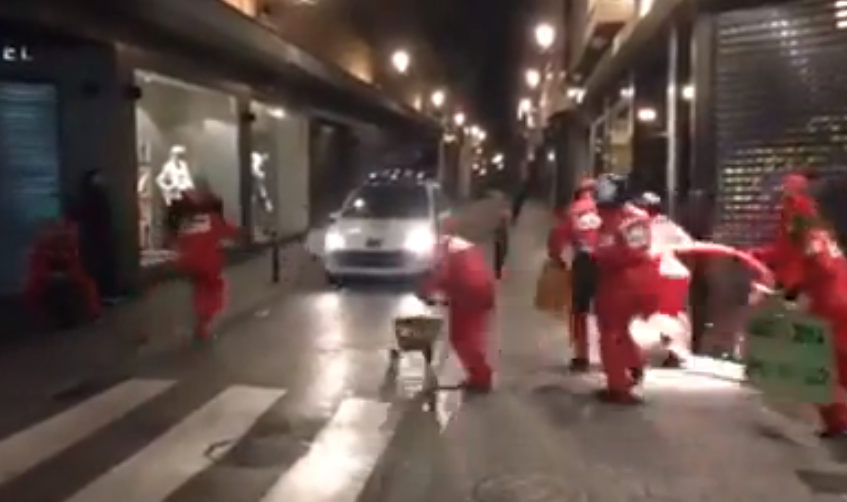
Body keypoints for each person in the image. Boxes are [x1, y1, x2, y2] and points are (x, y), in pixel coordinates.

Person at [751, 172, 847, 437]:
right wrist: (756, 256)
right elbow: (787, 254)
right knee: (832, 365)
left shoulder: (800, 225)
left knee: (820, 365)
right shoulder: (816, 230)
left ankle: (838, 420)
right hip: (836, 300)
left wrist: (783, 291)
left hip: (829, 304)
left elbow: (797, 265)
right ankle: (837, 421)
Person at [591, 173, 661, 403]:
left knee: (611, 333)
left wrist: (601, 256)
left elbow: (632, 252)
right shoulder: (620, 217)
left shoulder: (630, 220)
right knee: (617, 330)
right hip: (622, 281)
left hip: (623, 282)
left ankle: (618, 386)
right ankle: (632, 368)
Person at [418, 221, 496, 392]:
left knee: (461, 338)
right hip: (483, 290)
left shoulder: (440, 249)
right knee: (473, 337)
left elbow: (440, 273)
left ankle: (481, 379)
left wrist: (426, 291)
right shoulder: (458, 243)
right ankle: (479, 376)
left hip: (468, 295)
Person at [632, 192, 693, 368]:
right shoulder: (669, 226)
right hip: (675, 274)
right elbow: (688, 244)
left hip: (655, 275)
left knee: (650, 316)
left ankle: (640, 353)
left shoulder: (639, 226)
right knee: (671, 316)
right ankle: (673, 351)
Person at [547, 178, 600, 372]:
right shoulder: (606, 209)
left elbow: (557, 237)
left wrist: (556, 258)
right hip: (607, 262)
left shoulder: (573, 210)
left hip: (584, 263)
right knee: (610, 313)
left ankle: (582, 356)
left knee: (579, 312)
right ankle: (618, 355)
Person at [175, 190, 239, 342]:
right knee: (215, 289)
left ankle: (201, 320)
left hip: (189, 263)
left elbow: (181, 240)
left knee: (201, 288)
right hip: (208, 263)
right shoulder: (213, 220)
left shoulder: (189, 222)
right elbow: (231, 231)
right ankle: (204, 324)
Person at [24, 218, 101, 328]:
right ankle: (41, 319)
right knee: (32, 291)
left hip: (68, 279)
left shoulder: (70, 246)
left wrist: (67, 275)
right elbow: (36, 273)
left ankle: (93, 314)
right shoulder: (41, 248)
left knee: (89, 285)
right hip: (47, 281)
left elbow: (78, 269)